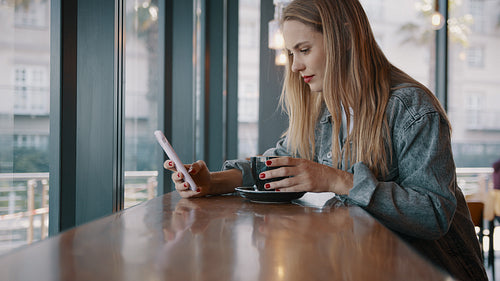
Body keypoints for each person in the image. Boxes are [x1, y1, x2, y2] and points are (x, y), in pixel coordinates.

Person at [164, 0, 487, 279]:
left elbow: (433, 214)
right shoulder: (325, 112)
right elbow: (276, 164)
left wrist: (336, 180)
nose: (295, 66)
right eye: (291, 53)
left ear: (344, 36)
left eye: (304, 50)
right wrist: (211, 182)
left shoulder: (411, 108)